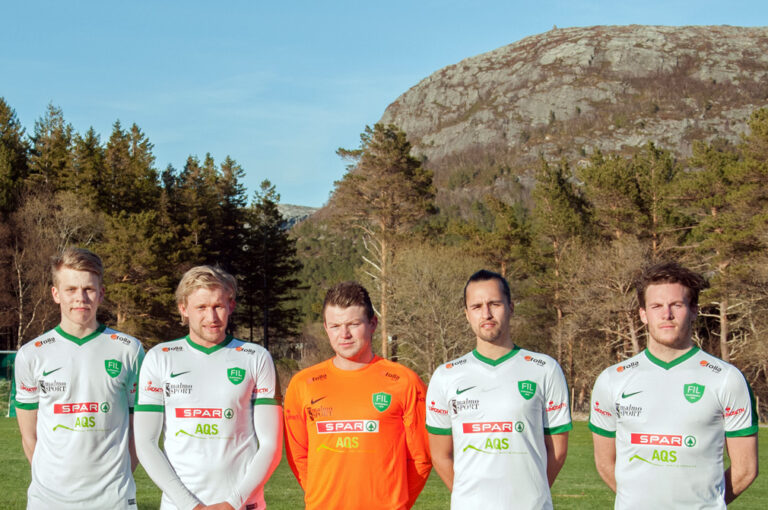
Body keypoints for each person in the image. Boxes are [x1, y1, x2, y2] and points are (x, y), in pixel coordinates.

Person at [589, 261, 759, 508]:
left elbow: (745, 469)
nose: (666, 314)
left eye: (676, 305)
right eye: (656, 306)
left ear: (693, 310)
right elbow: (605, 464)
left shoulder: (726, 378)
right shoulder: (612, 379)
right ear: (643, 314)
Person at [134, 265, 282, 510]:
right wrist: (191, 506)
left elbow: (271, 446)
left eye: (218, 306)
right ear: (183, 309)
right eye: (201, 307)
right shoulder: (160, 357)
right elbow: (145, 443)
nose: (212, 317)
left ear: (231, 306)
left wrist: (233, 503)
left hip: (242, 505)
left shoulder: (256, 357)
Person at [426, 269, 572, 509]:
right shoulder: (446, 376)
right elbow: (440, 455)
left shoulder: (545, 369)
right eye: (476, 306)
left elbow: (557, 450)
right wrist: (469, 499)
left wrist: (531, 496)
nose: (486, 313)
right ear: (467, 314)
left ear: (510, 307)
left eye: (494, 304)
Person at [13, 247, 144, 509]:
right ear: (56, 294)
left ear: (101, 294)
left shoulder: (129, 350)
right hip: (48, 501)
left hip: (113, 499)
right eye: (71, 289)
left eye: (89, 289)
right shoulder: (31, 354)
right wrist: (52, 482)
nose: (80, 298)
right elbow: (29, 437)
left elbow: (139, 432)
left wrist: (117, 479)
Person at [283, 281, 432, 510]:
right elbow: (298, 457)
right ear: (326, 327)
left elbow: (421, 458)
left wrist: (394, 504)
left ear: (373, 324)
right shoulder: (303, 384)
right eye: (335, 326)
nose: (344, 334)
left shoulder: (405, 382)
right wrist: (325, 497)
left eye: (353, 324)